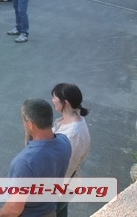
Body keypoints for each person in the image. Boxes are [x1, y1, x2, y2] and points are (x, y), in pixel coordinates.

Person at [0, 99, 71, 217]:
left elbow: (15, 208)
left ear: (30, 124)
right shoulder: (65, 142)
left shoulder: (25, 163)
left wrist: (1, 213)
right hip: (50, 211)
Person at [51, 83, 91, 217]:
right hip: (63, 185)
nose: (52, 100)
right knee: (61, 212)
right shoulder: (67, 120)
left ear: (65, 102)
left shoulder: (74, 134)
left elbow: (67, 167)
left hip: (63, 186)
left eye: (54, 97)